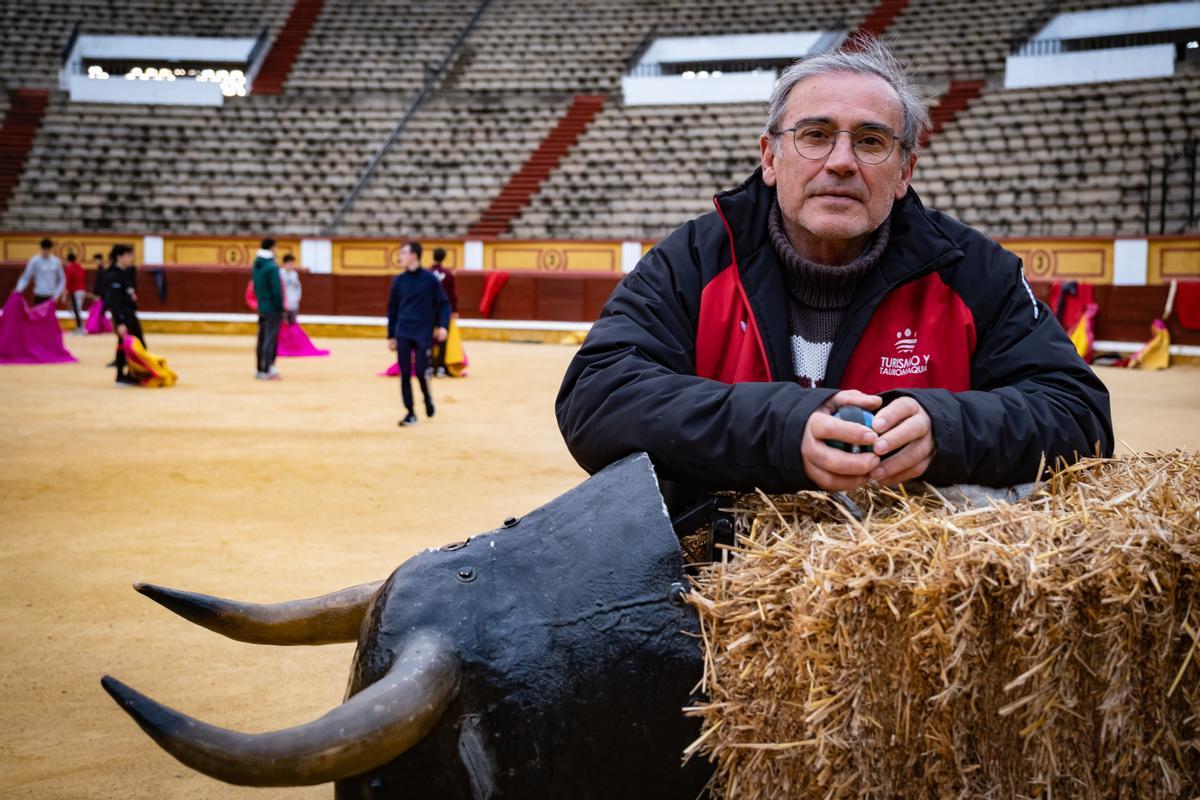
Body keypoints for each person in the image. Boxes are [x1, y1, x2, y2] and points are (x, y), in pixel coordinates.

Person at [556, 39, 1113, 521]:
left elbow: (1079, 415)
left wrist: (945, 430)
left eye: (871, 141)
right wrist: (782, 429)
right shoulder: (693, 260)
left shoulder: (976, 272)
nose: (842, 161)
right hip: (708, 587)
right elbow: (596, 397)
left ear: (904, 172)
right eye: (816, 135)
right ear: (770, 157)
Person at [386, 241, 449, 426]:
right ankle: (410, 412)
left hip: (423, 333)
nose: (401, 257)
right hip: (403, 332)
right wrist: (391, 335)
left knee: (421, 371)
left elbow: (443, 303)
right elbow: (393, 309)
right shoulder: (398, 281)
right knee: (405, 373)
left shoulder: (430, 279)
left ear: (414, 255)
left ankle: (427, 397)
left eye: (404, 253)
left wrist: (443, 326)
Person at [101, 244, 144, 385]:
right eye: (128, 255)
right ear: (119, 257)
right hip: (123, 313)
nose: (131, 258)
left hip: (129, 312)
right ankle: (123, 375)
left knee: (134, 343)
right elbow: (115, 301)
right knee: (127, 344)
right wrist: (119, 321)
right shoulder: (114, 275)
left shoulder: (125, 272)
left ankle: (130, 374)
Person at [252, 238, 284, 380]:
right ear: (271, 248)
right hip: (272, 308)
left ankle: (260, 369)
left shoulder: (256, 264)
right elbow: (276, 290)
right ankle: (268, 369)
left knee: (262, 338)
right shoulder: (272, 266)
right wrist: (280, 307)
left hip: (262, 306)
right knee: (270, 339)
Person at [428, 247, 458, 376]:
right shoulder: (449, 274)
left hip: (428, 309)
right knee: (443, 337)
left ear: (433, 256)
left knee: (427, 337)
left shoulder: (426, 273)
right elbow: (452, 294)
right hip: (444, 309)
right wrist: (454, 310)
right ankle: (440, 367)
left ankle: (428, 366)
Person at [15, 238, 65, 306]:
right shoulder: (34, 261)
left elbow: (62, 280)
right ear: (41, 248)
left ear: (51, 249)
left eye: (48, 249)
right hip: (39, 294)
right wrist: (18, 289)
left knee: (49, 316)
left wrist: (57, 295)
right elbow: (25, 277)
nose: (46, 251)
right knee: (38, 316)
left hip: (51, 296)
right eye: (44, 249)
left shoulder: (56, 261)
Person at [63, 251, 85, 334]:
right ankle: (79, 326)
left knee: (76, 309)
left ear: (67, 260)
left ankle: (80, 327)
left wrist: (64, 295)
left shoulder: (70, 268)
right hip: (81, 290)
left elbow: (67, 282)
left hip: (75, 291)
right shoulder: (80, 267)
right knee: (76, 309)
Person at [280, 254, 302, 326]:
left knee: (293, 323)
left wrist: (298, 297)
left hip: (293, 303)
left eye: (292, 264)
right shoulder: (279, 273)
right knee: (283, 324)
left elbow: (298, 287)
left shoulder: (294, 274)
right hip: (282, 303)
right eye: (289, 264)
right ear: (284, 264)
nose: (291, 266)